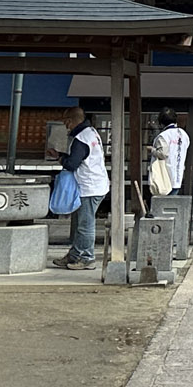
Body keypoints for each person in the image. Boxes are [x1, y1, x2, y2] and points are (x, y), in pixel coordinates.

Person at [49, 105, 108, 269]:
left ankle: (87, 258)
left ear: (71, 121)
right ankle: (75, 255)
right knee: (81, 223)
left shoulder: (81, 138)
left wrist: (60, 159)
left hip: (89, 187)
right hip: (95, 184)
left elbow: (72, 164)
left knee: (85, 225)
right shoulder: (91, 132)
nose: (65, 126)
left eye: (66, 122)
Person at [150, 108, 191, 197]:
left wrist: (152, 150)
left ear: (161, 123)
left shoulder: (163, 136)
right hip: (178, 174)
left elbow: (163, 154)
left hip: (164, 177)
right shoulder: (184, 135)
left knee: (162, 205)